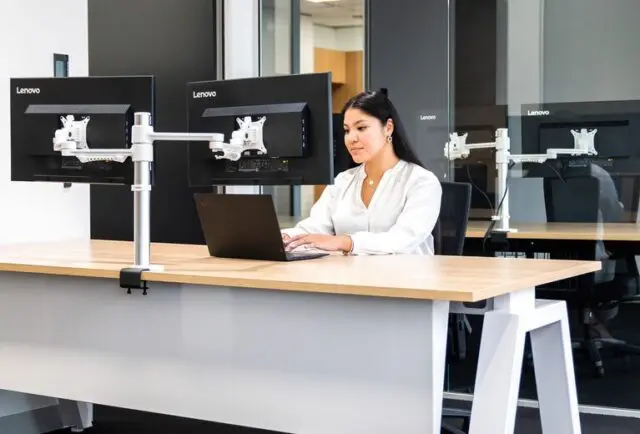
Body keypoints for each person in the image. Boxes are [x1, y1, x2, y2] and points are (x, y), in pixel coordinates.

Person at [281, 89, 442, 255]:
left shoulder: (422, 181)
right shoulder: (342, 181)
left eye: (361, 128)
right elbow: (315, 227)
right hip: (352, 277)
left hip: (406, 278)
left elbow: (401, 239)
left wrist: (344, 242)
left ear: (388, 128)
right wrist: (285, 237)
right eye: (347, 130)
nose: (351, 138)